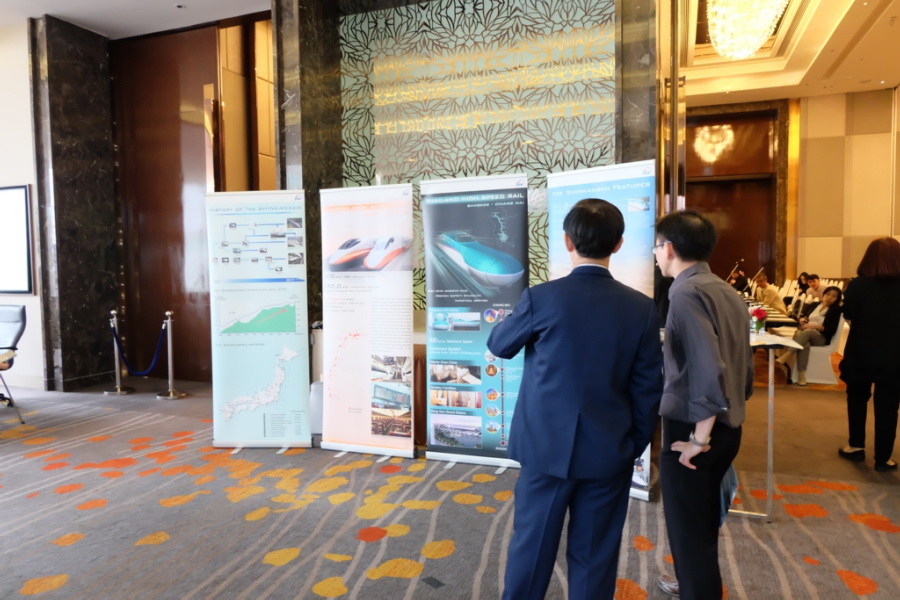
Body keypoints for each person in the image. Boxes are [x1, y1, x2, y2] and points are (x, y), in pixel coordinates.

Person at [488, 198, 663, 600]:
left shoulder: (541, 298)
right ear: (618, 244)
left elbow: (499, 345)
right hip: (609, 450)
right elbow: (648, 387)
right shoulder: (641, 308)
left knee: (531, 547)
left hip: (543, 448)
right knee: (595, 554)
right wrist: (632, 443)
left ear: (567, 241)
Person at [653, 210, 754, 600]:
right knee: (701, 521)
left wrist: (699, 438)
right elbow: (743, 367)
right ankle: (691, 582)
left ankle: (696, 588)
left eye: (656, 247)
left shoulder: (684, 293)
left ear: (670, 248)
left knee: (688, 529)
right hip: (727, 425)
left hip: (696, 431)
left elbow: (707, 368)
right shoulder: (725, 289)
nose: (655, 255)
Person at [838, 237, 900, 472]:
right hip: (895, 355)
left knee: (856, 398)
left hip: (861, 351)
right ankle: (883, 458)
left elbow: (849, 314)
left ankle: (856, 446)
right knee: (888, 406)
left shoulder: (858, 285)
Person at [776, 286, 843, 385]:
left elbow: (831, 330)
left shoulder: (836, 310)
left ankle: (787, 354)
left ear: (837, 299)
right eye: (828, 294)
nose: (829, 297)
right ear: (823, 295)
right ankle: (801, 376)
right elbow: (802, 317)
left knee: (807, 332)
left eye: (834, 296)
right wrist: (802, 320)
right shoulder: (814, 305)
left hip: (820, 337)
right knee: (805, 344)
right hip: (804, 334)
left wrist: (817, 326)